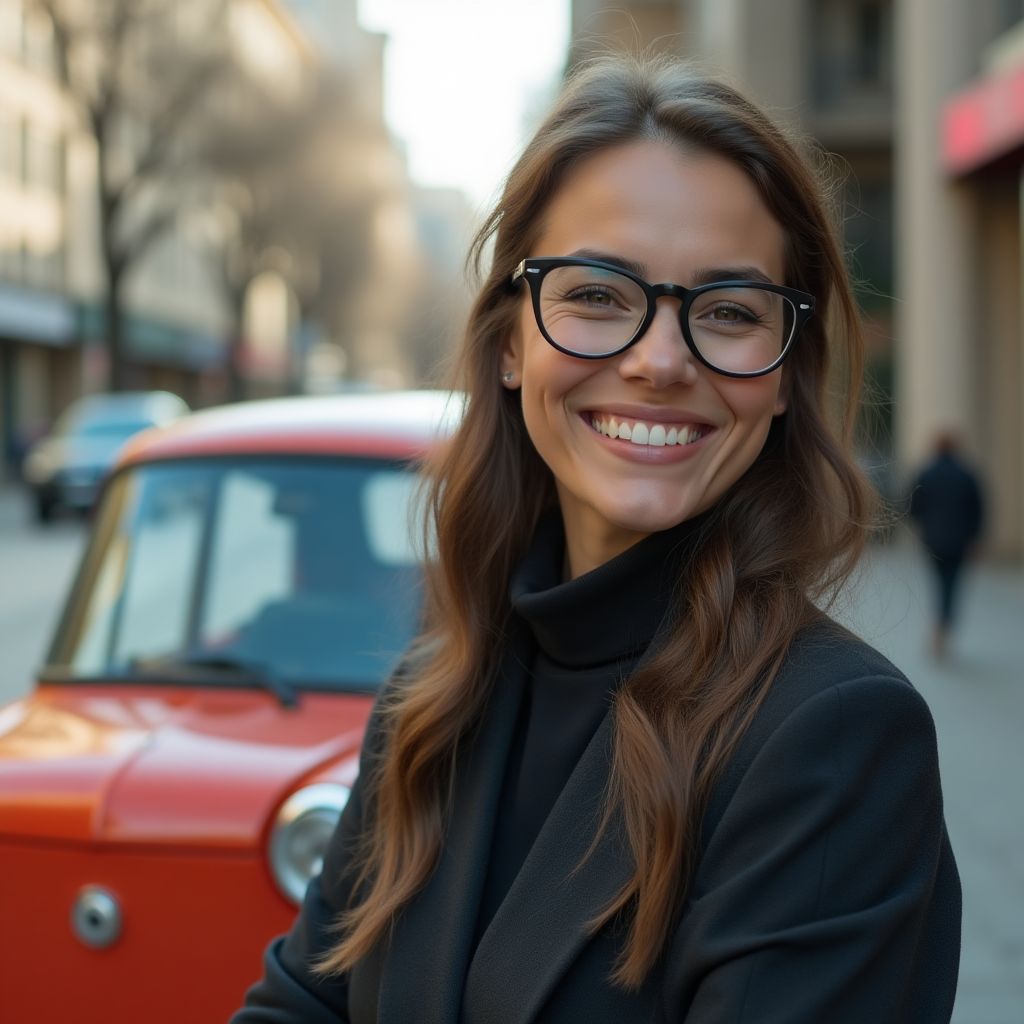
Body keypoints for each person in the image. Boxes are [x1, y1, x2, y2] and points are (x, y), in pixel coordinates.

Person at [231, 55, 961, 1023]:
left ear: (787, 373)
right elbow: (302, 1003)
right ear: (510, 342)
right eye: (597, 295)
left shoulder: (837, 739)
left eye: (729, 312)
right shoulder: (434, 695)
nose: (659, 360)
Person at [909, 431, 985, 658]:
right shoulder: (966, 475)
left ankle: (939, 628)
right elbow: (978, 510)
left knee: (939, 583)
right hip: (959, 541)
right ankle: (944, 627)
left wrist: (923, 526)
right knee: (951, 584)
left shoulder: (926, 473)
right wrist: (975, 538)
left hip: (933, 540)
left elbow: (912, 505)